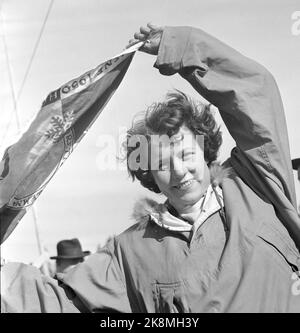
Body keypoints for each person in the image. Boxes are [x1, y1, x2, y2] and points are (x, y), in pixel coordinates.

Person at [1, 23, 300, 313]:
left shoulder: (258, 182)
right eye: (161, 164)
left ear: (205, 148)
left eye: (185, 153)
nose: (179, 171)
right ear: (149, 175)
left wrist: (180, 47)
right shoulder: (130, 253)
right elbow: (63, 303)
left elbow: (255, 91)